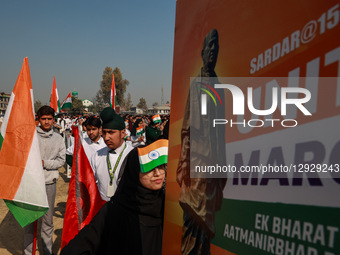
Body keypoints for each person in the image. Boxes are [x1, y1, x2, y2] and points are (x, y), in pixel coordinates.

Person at [60, 139, 168, 255]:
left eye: (160, 167)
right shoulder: (114, 210)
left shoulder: (168, 205)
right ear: (134, 171)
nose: (157, 173)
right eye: (149, 168)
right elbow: (75, 249)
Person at [176, 29, 227, 255]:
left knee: (206, 229)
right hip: (196, 165)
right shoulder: (196, 85)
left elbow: (221, 131)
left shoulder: (219, 87)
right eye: (210, 48)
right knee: (193, 223)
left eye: (216, 49)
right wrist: (184, 163)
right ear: (202, 52)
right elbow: (187, 128)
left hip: (213, 167)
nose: (212, 53)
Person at [24, 105, 66, 255]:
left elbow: (61, 160)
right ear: (38, 119)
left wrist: (45, 163)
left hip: (49, 183)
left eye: (49, 119)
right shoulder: (30, 136)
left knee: (47, 221)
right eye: (43, 119)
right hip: (31, 183)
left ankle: (47, 251)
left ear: (54, 120)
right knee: (29, 220)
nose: (47, 122)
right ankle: (28, 251)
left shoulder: (59, 138)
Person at [90, 107, 133, 201]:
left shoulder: (133, 155)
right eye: (104, 133)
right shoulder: (97, 156)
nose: (106, 138)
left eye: (111, 132)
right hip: (103, 210)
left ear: (123, 133)